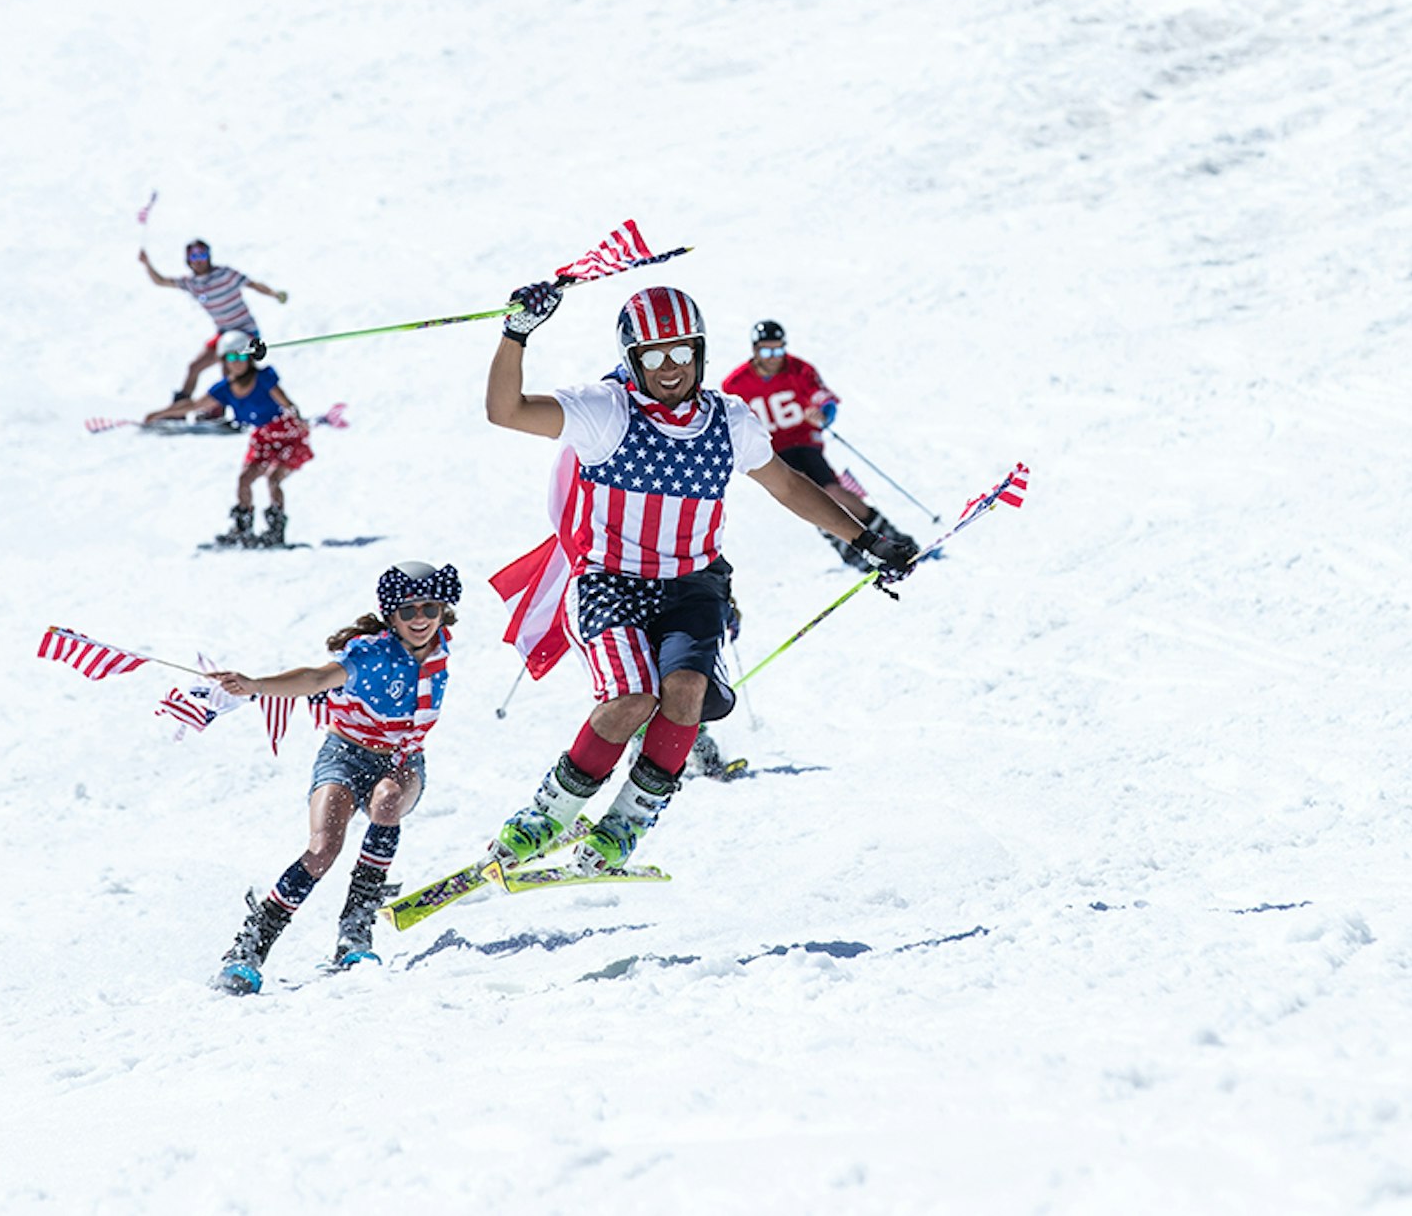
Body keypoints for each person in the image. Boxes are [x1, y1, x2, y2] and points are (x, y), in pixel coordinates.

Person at [482, 283, 920, 873]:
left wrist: (865, 541)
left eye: (682, 353)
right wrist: (517, 334)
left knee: (686, 693)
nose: (670, 369)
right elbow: (504, 411)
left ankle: (626, 823)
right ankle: (549, 812)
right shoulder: (606, 411)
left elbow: (788, 485)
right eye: (655, 356)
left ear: (701, 353)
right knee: (632, 698)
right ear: (633, 357)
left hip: (692, 584)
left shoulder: (729, 420)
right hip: (611, 581)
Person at [209, 561, 461, 994]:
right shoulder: (371, 652)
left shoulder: (440, 647)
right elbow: (315, 678)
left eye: (430, 608)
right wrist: (256, 685)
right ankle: (250, 945)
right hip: (346, 755)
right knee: (323, 848)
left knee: (386, 802)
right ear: (390, 616)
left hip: (402, 760)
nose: (420, 619)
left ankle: (355, 930)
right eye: (408, 611)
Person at [722, 319, 918, 568]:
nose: (774, 357)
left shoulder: (799, 370)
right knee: (803, 493)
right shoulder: (736, 384)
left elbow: (825, 399)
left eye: (779, 350)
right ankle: (847, 548)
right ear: (755, 350)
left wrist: (823, 414)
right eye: (767, 351)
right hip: (772, 450)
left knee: (833, 491)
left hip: (803, 443)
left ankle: (890, 535)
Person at [144, 330, 312, 547]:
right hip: (262, 437)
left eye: (242, 357)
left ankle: (275, 529)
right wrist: (158, 414)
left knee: (273, 478)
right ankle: (243, 529)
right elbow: (194, 405)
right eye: (232, 358)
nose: (238, 363)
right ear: (224, 361)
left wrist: (299, 419)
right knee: (245, 479)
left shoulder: (264, 379)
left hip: (286, 434)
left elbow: (287, 405)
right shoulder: (224, 389)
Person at [138, 239, 288, 405]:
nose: (199, 260)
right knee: (194, 367)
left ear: (209, 256)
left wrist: (274, 294)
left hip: (244, 331)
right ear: (188, 260)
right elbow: (160, 281)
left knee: (230, 368)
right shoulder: (192, 283)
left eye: (202, 254)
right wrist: (146, 264)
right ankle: (179, 409)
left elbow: (252, 284)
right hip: (224, 333)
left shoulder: (225, 274)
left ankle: (221, 410)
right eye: (194, 256)